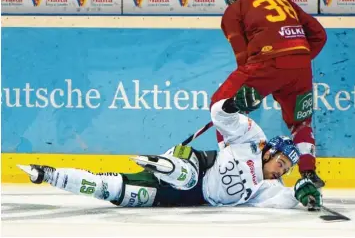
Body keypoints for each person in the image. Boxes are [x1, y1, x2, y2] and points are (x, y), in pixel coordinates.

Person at [18, 90, 322, 210]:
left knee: (110, 190)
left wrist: (301, 191)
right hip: (194, 163)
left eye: (286, 169)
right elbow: (220, 116)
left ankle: (48, 175)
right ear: (270, 152)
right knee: (187, 175)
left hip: (185, 198)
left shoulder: (268, 187)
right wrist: (232, 105)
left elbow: (284, 200)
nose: (281, 170)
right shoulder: (252, 138)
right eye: (282, 162)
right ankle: (162, 164)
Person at [211, 0, 327, 188]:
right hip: (300, 64)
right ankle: (308, 172)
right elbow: (319, 35)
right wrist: (296, 60)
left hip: (266, 62)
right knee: (300, 122)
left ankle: (228, 160)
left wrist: (254, 84)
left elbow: (242, 56)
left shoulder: (235, 9)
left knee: (220, 103)